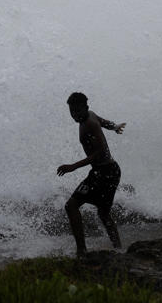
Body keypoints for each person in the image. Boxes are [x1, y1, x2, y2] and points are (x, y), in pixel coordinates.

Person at [57, 92, 126, 257]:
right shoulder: (91, 115)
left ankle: (81, 251)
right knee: (103, 213)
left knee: (71, 206)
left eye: (78, 111)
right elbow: (104, 123)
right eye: (72, 112)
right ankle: (118, 249)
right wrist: (115, 126)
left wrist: (73, 166)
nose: (75, 115)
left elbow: (101, 151)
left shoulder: (89, 124)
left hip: (103, 172)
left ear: (85, 108)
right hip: (110, 171)